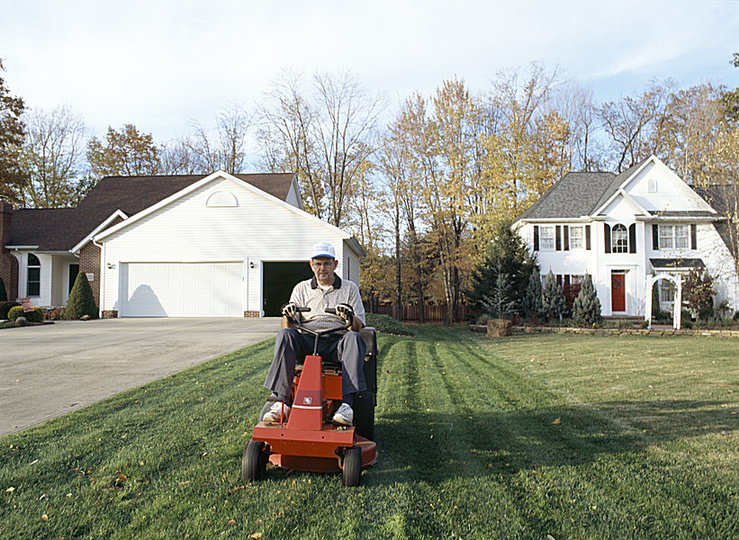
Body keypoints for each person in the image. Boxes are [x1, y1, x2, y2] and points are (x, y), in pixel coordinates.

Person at [263, 242, 367, 426]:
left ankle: (347, 406)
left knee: (354, 338)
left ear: (335, 265)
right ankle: (281, 402)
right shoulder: (301, 289)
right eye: (318, 264)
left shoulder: (350, 289)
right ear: (311, 265)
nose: (322, 268)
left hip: (338, 341)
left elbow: (357, 327)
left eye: (326, 264)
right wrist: (287, 315)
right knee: (285, 335)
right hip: (308, 339)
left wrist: (349, 317)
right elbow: (288, 326)